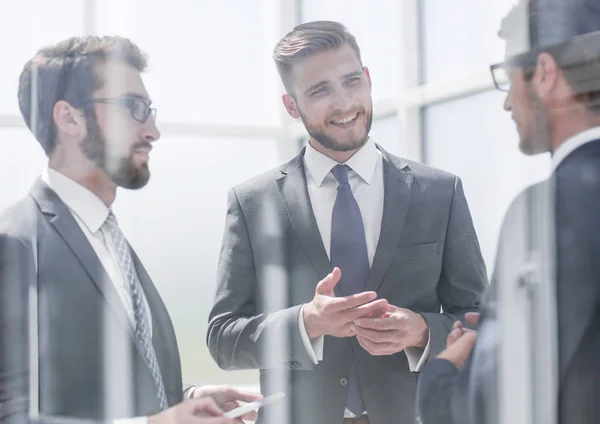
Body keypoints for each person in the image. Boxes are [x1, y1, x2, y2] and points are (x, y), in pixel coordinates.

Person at [207, 21, 487, 424]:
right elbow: (222, 339)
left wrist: (423, 331)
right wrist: (306, 323)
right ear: (292, 106)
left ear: (368, 80)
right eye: (320, 90)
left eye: (351, 81)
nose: (343, 103)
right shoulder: (253, 203)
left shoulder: (440, 192)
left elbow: (479, 320)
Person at [0, 35, 261, 424]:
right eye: (133, 107)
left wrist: (186, 399)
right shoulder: (16, 243)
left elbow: (102, 384)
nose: (152, 130)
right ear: (69, 117)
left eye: (149, 109)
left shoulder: (108, 236)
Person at [416, 0, 600, 423]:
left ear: (545, 74)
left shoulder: (544, 211)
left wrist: (446, 371)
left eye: (508, 78)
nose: (507, 104)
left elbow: (482, 408)